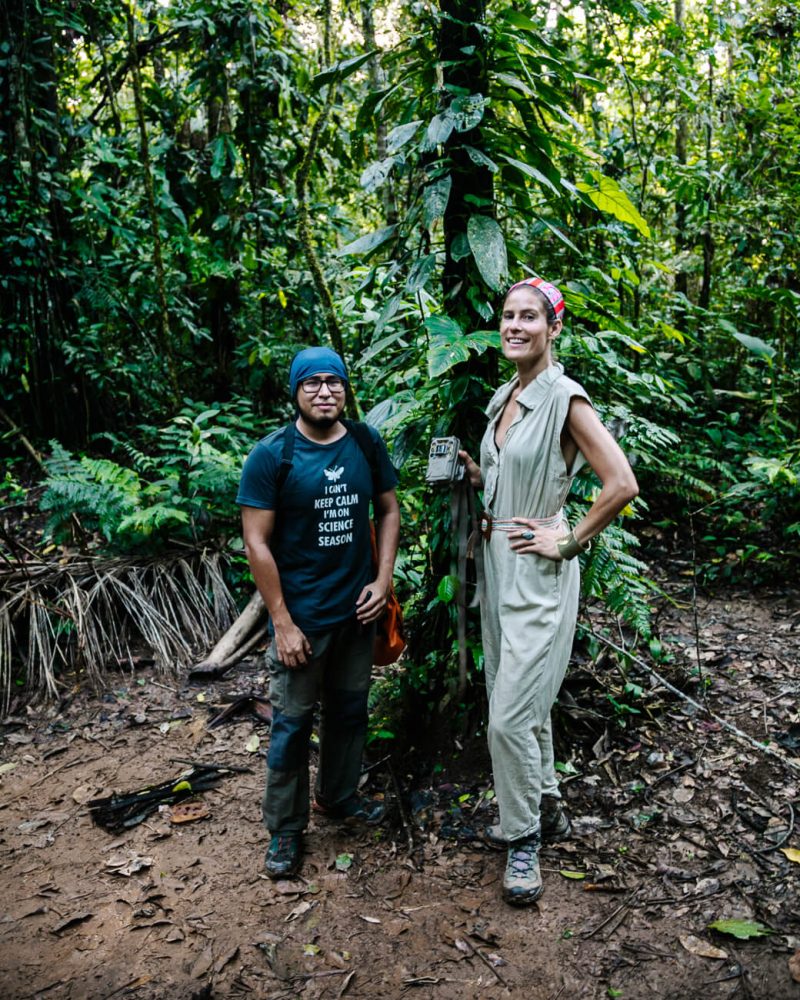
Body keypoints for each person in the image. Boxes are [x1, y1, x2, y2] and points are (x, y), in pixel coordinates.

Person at [459, 277, 638, 906]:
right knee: (517, 697)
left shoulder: (566, 398)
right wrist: (477, 474)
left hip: (539, 573)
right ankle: (549, 802)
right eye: (508, 315)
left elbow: (620, 483)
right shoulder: (504, 397)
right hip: (496, 563)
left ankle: (523, 838)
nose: (514, 325)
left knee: (507, 716)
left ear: (553, 328)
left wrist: (567, 541)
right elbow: (512, 473)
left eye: (529, 317)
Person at [237, 346, 400, 879]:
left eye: (334, 382)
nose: (325, 391)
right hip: (301, 620)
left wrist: (382, 579)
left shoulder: (365, 442)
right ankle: (285, 831)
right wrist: (281, 622)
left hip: (357, 613)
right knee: (291, 724)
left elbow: (390, 509)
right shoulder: (273, 455)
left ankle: (339, 796)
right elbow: (256, 544)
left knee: (350, 712)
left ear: (346, 388)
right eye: (313, 383)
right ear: (296, 391)